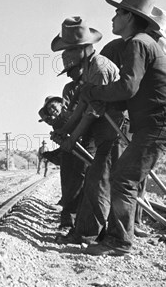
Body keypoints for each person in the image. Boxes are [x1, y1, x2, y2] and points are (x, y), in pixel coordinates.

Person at [80, 0, 166, 256]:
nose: (113, 18)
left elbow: (127, 88)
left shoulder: (138, 43)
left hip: (160, 122)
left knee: (123, 178)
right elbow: (132, 92)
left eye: (117, 12)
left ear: (129, 16)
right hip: (157, 122)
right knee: (123, 176)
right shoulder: (142, 42)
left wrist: (93, 93)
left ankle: (118, 242)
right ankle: (116, 237)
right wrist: (106, 99)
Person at [51, 17, 123, 244]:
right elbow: (82, 106)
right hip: (104, 130)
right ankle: (87, 232)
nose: (70, 73)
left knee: (99, 182)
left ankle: (92, 235)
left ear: (83, 49)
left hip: (114, 130)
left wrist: (71, 138)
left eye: (71, 50)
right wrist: (65, 131)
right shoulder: (89, 70)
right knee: (94, 182)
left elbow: (92, 112)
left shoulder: (99, 69)